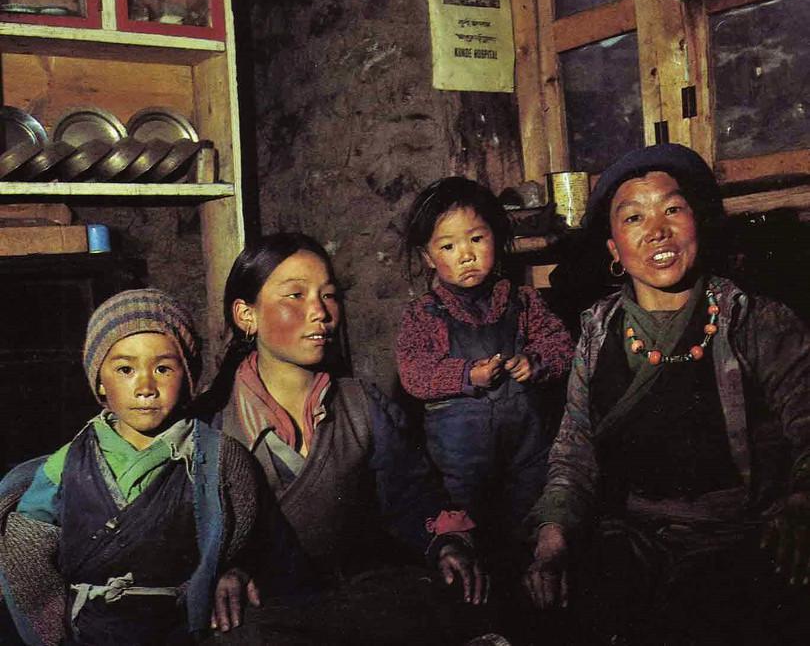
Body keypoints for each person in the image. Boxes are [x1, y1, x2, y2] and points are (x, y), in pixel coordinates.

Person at [523, 144, 810, 643]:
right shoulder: (596, 334)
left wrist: (802, 502)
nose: (657, 229)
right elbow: (575, 453)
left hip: (740, 537)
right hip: (635, 539)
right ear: (614, 249)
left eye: (672, 208)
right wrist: (553, 538)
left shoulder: (756, 321)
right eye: (634, 217)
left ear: (696, 221)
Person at [197, 233, 490, 645]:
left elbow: (412, 496)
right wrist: (223, 570)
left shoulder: (359, 404)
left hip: (357, 595)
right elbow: (195, 538)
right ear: (247, 315)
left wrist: (445, 543)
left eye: (329, 295)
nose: (319, 312)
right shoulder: (215, 426)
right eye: (295, 295)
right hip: (273, 605)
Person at [0, 289, 263, 645]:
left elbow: (240, 532)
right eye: (125, 369)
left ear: (187, 377)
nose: (145, 387)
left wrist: (229, 570)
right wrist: (50, 631)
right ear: (98, 380)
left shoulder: (218, 458)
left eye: (163, 368)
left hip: (181, 629)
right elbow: (27, 544)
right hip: (86, 630)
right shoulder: (67, 463)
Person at [396, 176, 574, 546]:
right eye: (448, 245)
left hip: (528, 454)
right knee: (471, 541)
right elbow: (414, 373)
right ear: (428, 257)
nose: (466, 254)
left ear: (496, 237)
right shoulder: (424, 314)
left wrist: (535, 362)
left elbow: (562, 345)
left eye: (477, 239)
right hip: (459, 469)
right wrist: (465, 374)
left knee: (528, 532)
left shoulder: (522, 301)